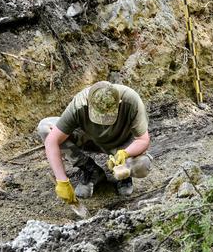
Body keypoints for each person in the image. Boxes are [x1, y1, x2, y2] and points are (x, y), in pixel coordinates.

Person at [36, 81, 152, 216]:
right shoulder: (79, 104)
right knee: (45, 128)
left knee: (143, 165)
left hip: (121, 144)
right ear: (89, 103)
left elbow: (143, 140)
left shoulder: (131, 101)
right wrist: (62, 181)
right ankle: (91, 170)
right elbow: (52, 141)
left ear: (118, 103)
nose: (103, 121)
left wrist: (125, 153)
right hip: (90, 139)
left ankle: (123, 174)